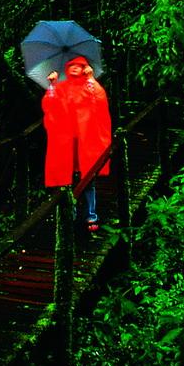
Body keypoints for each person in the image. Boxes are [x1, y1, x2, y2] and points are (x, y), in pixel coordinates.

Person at [42, 55, 112, 234]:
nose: (75, 67)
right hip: (66, 143)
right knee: (65, 181)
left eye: (79, 65)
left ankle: (91, 215)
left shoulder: (89, 86)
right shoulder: (61, 87)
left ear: (85, 68)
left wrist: (91, 78)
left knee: (88, 178)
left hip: (85, 141)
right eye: (71, 65)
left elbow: (100, 101)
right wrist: (52, 84)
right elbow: (49, 106)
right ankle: (69, 215)